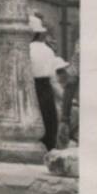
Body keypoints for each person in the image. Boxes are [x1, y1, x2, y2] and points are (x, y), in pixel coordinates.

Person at [28, 16, 59, 150]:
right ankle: (48, 146)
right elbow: (53, 77)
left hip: (31, 86)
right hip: (46, 87)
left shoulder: (27, 49)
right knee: (47, 117)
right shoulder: (48, 50)